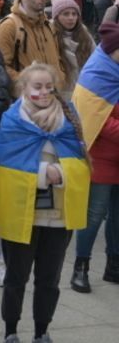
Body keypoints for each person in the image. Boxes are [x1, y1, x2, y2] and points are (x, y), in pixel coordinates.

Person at [0, 63, 89, 343]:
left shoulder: (69, 119)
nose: (44, 92)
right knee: (16, 279)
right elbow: (4, 167)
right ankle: (11, 330)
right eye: (37, 87)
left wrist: (60, 173)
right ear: (23, 88)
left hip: (58, 215)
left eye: (49, 87)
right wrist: (39, 175)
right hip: (21, 211)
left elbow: (83, 164)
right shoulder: (11, 120)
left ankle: (41, 331)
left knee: (49, 280)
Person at [69, 23, 119, 292]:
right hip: (100, 156)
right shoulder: (96, 75)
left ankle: (114, 266)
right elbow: (95, 121)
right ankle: (81, 267)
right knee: (95, 213)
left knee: (118, 216)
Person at [0, 0, 64, 88]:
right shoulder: (9, 25)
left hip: (54, 93)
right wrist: (27, 83)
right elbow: (1, 66)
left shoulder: (47, 24)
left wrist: (61, 77)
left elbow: (58, 58)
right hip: (27, 96)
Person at [52, 0, 95, 94]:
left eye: (74, 14)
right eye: (65, 14)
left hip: (85, 88)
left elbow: (95, 59)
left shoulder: (84, 33)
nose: (71, 18)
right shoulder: (50, 35)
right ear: (57, 17)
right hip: (62, 90)